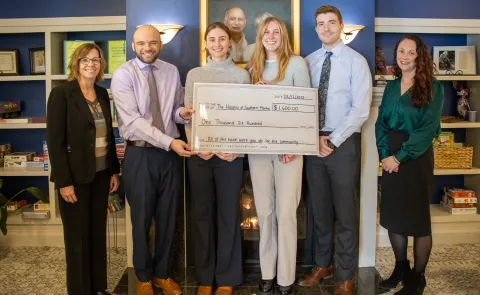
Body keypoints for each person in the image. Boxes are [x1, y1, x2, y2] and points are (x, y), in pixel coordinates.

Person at [111, 25, 195, 295]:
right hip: (140, 154)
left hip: (170, 156)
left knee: (168, 218)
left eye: (153, 43)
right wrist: (170, 141)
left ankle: (162, 274)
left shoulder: (171, 71)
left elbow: (173, 111)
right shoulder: (124, 75)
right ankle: (143, 277)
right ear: (133, 46)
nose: (148, 48)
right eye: (142, 43)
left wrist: (185, 113)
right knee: (142, 219)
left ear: (160, 44)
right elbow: (133, 122)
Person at [297, 5, 372, 295]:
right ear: (315, 29)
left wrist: (332, 139)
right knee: (319, 210)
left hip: (342, 145)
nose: (326, 28)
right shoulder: (308, 62)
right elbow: (301, 103)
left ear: (340, 26)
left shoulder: (356, 62)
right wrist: (313, 137)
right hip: (312, 144)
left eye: (331, 22)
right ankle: (322, 265)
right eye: (320, 23)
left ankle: (344, 275)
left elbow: (360, 109)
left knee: (345, 212)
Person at [46, 43, 120, 295]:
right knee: (77, 240)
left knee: (97, 235)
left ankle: (98, 288)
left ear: (101, 64)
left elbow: (109, 135)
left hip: (100, 175)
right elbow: (55, 141)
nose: (91, 64)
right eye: (85, 60)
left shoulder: (101, 93)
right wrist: (63, 182)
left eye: (96, 60)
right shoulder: (62, 94)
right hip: (74, 179)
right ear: (76, 63)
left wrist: (114, 171)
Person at [184, 22, 251, 295]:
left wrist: (235, 150)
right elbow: (189, 117)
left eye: (222, 39)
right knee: (201, 216)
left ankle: (226, 277)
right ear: (206, 43)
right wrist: (198, 145)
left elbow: (245, 118)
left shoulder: (241, 75)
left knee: (228, 215)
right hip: (200, 156)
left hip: (229, 157)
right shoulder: (194, 74)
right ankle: (204, 278)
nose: (217, 44)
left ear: (230, 42)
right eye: (212, 39)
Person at [246, 16, 311, 295]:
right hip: (259, 151)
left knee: (286, 213)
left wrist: (293, 146)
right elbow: (248, 111)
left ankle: (286, 278)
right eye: (266, 32)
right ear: (260, 37)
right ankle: (267, 274)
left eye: (276, 32)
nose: (271, 36)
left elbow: (305, 108)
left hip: (289, 152)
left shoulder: (297, 64)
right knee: (265, 212)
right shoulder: (253, 67)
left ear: (283, 36)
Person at [375, 34, 444, 295]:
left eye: (410, 52)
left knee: (417, 221)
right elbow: (381, 123)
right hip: (389, 156)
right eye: (400, 51)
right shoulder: (392, 87)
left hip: (415, 158)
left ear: (420, 56)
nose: (404, 56)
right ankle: (400, 269)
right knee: (394, 217)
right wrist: (385, 156)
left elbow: (427, 131)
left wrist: (399, 158)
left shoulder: (433, 88)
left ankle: (418, 278)